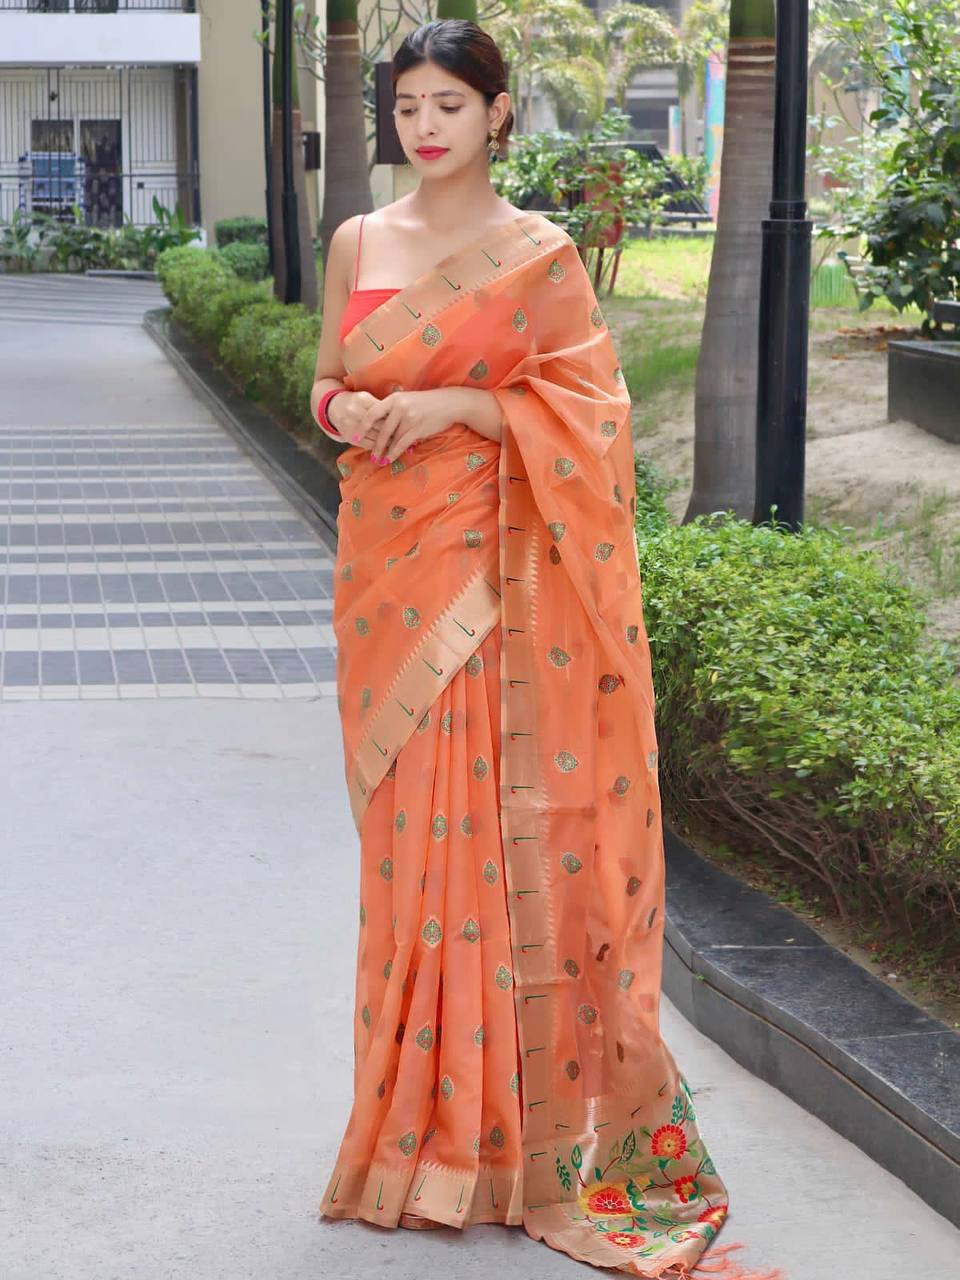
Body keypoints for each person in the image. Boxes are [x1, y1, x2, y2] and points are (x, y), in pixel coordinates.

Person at [310, 18, 780, 1280]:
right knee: (413, 847)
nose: (425, 125)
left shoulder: (539, 254)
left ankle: (517, 1144)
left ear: (498, 114)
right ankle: (414, 1134)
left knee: (501, 827)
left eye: (449, 104)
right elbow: (326, 379)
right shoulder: (357, 239)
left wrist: (462, 403)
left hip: (496, 566)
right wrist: (347, 405)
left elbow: (593, 414)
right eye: (407, 103)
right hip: (387, 570)